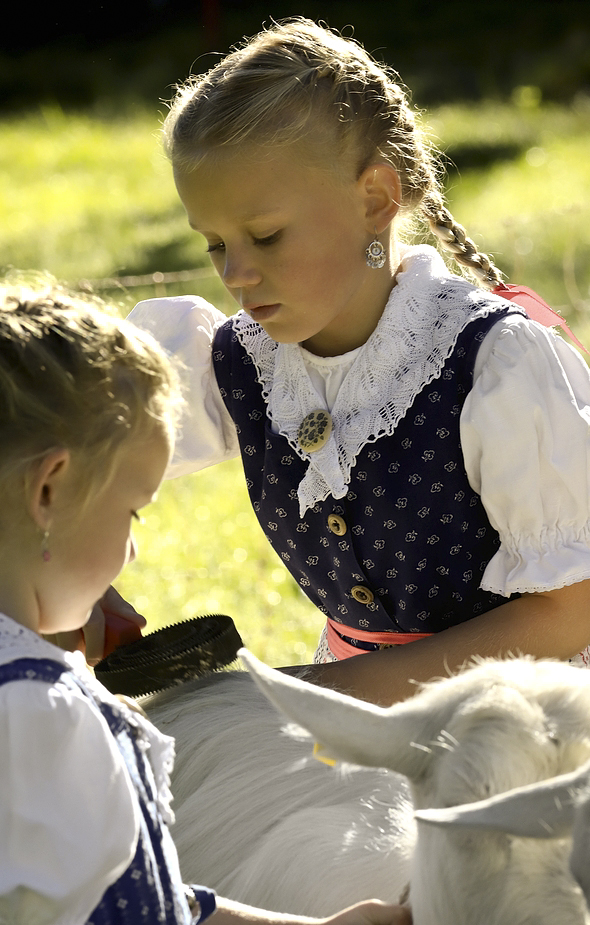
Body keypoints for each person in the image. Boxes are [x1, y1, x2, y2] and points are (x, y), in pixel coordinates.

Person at [128, 17, 590, 706]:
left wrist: (320, 695)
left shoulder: (493, 362)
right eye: (214, 243)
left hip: (521, 713)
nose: (236, 273)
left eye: (265, 236)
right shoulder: (237, 364)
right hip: (356, 704)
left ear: (374, 198)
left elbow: (558, 616)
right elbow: (77, 463)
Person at [0, 280, 410, 925]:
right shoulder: (38, 711)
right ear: (49, 489)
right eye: (131, 513)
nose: (131, 553)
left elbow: (139, 896)